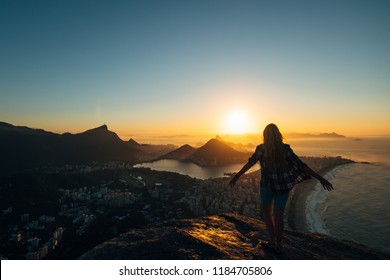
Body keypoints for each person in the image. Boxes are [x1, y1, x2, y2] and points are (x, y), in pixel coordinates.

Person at [229, 123, 333, 254]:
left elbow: (250, 163)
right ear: (279, 135)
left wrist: (237, 176)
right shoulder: (285, 149)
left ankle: (272, 242)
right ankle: (279, 246)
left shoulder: (261, 149)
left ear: (264, 136)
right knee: (278, 217)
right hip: (283, 187)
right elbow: (301, 166)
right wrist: (320, 178)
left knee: (267, 214)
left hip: (266, 186)